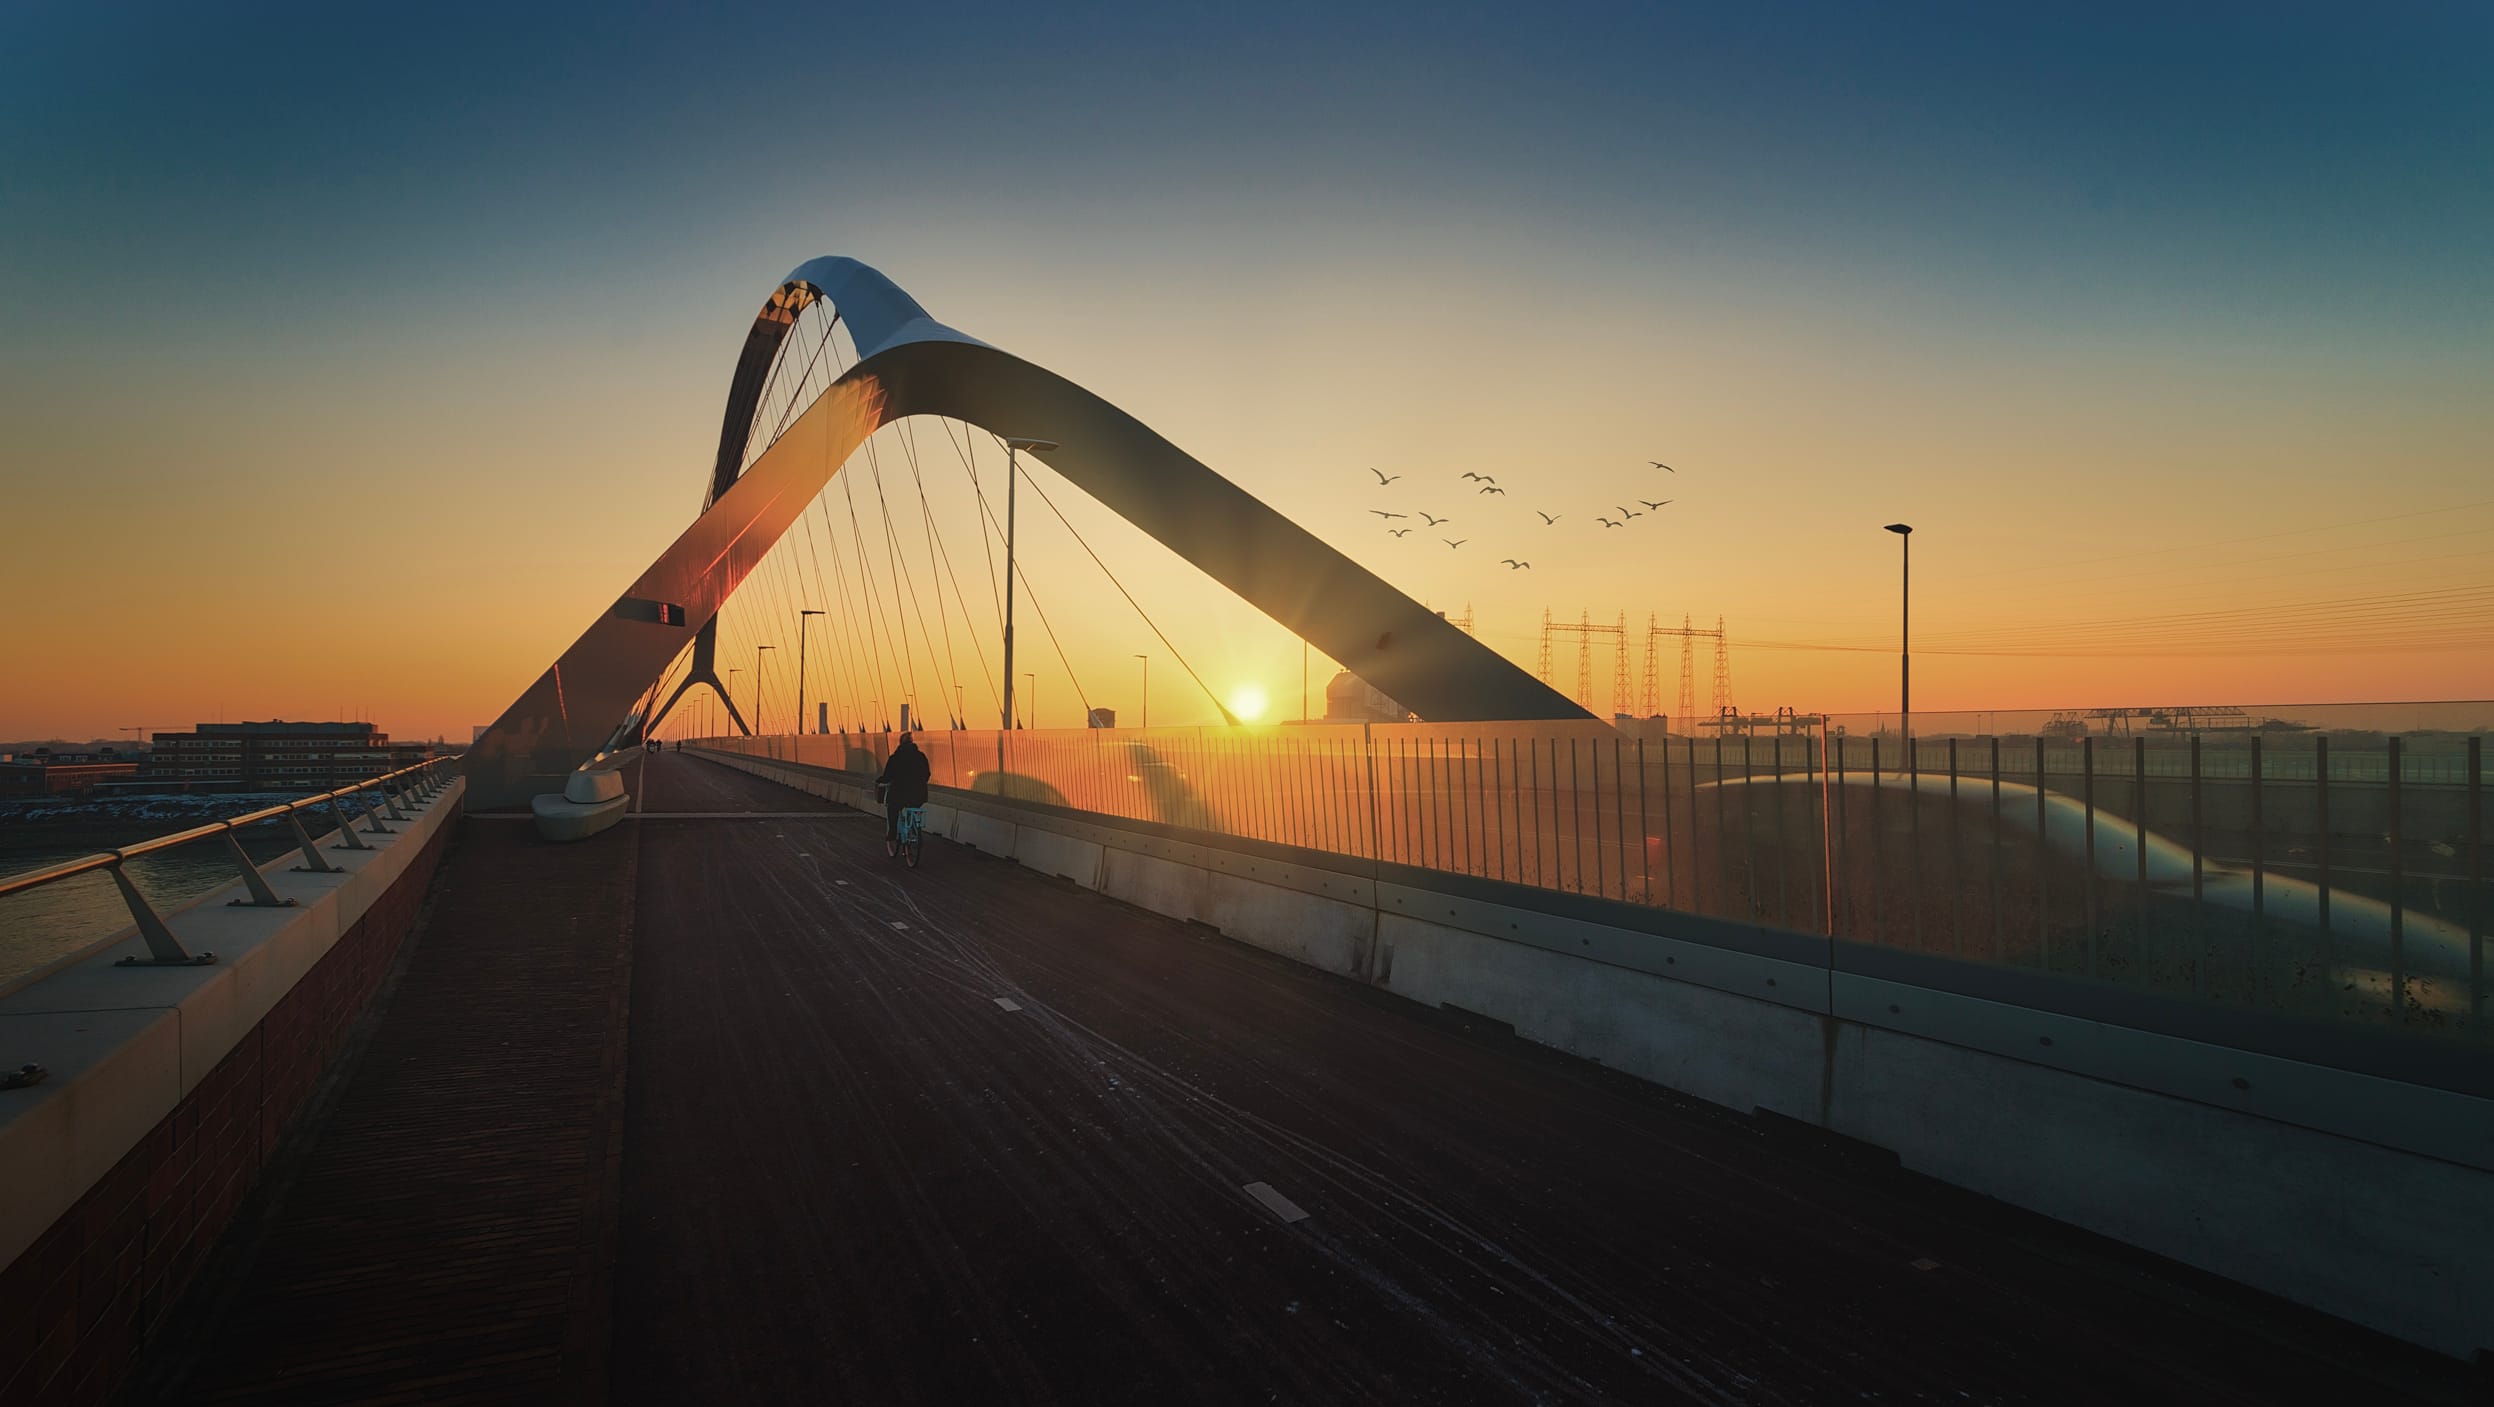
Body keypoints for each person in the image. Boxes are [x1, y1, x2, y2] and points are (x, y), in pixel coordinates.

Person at [876, 732, 931, 846]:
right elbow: (927, 774)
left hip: (900, 793)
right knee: (914, 806)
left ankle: (892, 832)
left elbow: (888, 776)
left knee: (893, 807)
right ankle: (914, 828)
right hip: (919, 794)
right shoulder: (921, 756)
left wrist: (879, 781)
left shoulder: (895, 758)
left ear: (900, 743)